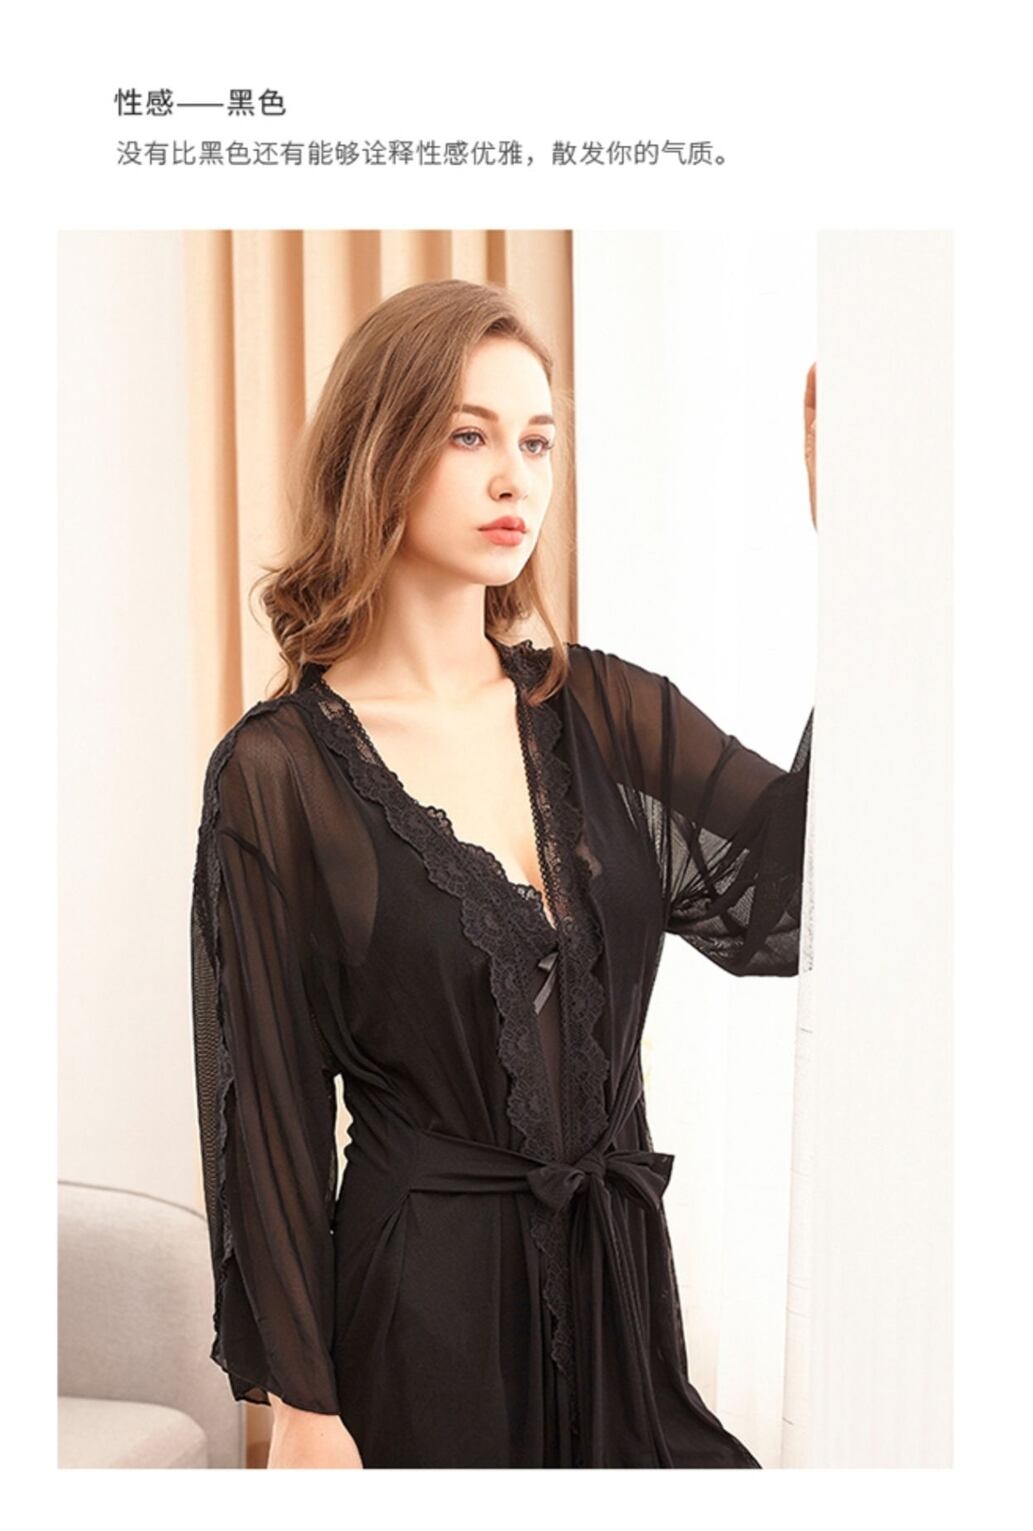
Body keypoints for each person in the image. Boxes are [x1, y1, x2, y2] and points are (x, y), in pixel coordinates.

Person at [190, 277, 817, 1469]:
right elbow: (267, 1115)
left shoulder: (602, 711)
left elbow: (790, 897)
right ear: (379, 451)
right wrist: (303, 1411)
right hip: (422, 1331)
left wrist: (868, 559)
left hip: (620, 1302)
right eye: (468, 435)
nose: (514, 478)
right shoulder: (280, 774)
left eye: (536, 441)